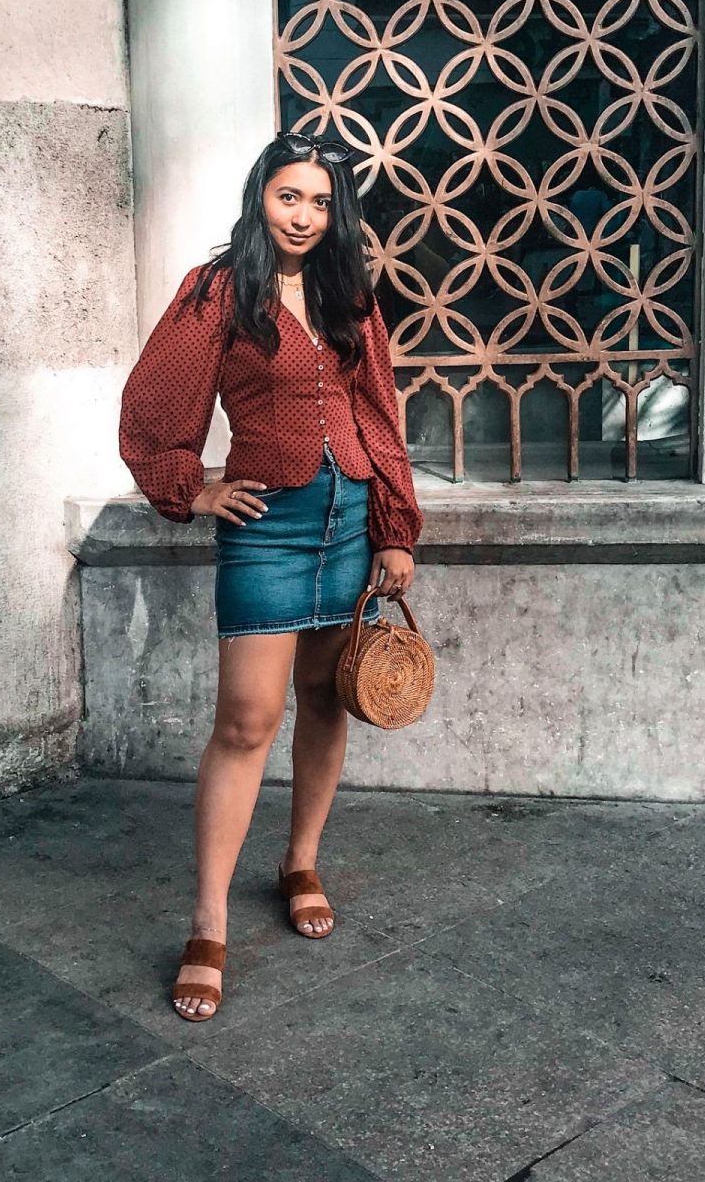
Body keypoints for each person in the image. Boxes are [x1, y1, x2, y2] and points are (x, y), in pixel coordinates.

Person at [118, 131, 424, 1021]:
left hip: (350, 523)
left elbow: (378, 411)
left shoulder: (346, 291)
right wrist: (193, 489)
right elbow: (155, 406)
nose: (304, 216)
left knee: (326, 700)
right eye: (290, 196)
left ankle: (300, 861)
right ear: (261, 195)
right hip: (269, 530)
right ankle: (208, 921)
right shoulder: (216, 291)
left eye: (321, 202)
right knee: (247, 721)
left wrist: (394, 527)